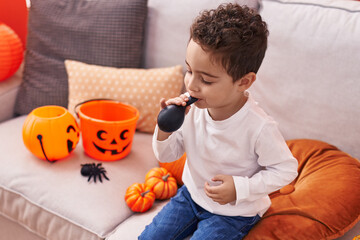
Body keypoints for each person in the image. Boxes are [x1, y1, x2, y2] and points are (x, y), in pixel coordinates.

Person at [139, 3, 298, 240]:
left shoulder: (258, 127)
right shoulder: (192, 110)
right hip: (191, 197)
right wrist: (165, 129)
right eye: (190, 70)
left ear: (243, 82)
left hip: (234, 213)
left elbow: (286, 170)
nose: (191, 85)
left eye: (207, 80)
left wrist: (240, 189)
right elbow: (167, 156)